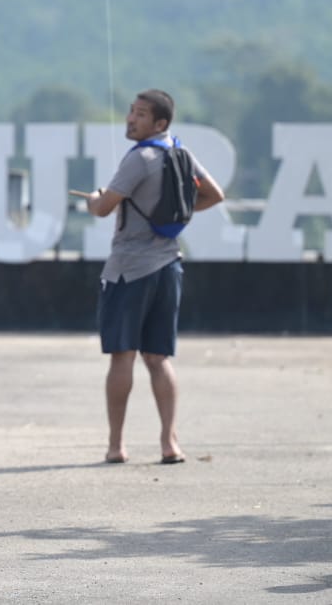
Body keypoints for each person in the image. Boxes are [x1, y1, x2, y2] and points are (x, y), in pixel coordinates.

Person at [84, 89, 224, 465]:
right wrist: (174, 216)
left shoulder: (140, 158)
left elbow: (103, 208)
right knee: (159, 358)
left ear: (159, 123)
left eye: (141, 114)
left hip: (129, 269)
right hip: (169, 266)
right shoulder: (181, 153)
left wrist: (93, 198)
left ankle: (116, 446)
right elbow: (215, 195)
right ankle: (169, 443)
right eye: (131, 112)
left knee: (121, 357)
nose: (131, 119)